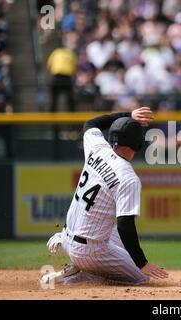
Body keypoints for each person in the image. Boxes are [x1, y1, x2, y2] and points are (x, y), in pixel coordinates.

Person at [41, 107, 168, 285]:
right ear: (138, 144)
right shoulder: (128, 177)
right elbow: (126, 226)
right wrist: (142, 263)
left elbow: (91, 123)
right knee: (141, 279)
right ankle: (74, 277)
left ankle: (77, 265)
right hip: (89, 251)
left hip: (67, 236)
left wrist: (129, 115)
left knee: (113, 226)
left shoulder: (98, 148)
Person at [47, 47, 77, 112]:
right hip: (63, 78)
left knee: (57, 100)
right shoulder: (70, 53)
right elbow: (75, 68)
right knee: (68, 99)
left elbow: (49, 65)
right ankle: (72, 118)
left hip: (61, 77)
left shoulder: (56, 52)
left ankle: (53, 119)